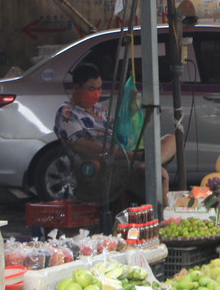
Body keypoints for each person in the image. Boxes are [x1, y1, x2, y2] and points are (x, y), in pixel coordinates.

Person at [54, 63, 176, 205]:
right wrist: (122, 154)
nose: (97, 93)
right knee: (160, 175)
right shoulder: (67, 112)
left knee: (170, 140)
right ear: (76, 88)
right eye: (91, 89)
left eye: (99, 88)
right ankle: (163, 212)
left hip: (125, 158)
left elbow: (119, 133)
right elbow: (81, 146)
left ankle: (149, 164)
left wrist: (132, 115)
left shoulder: (99, 110)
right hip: (100, 168)